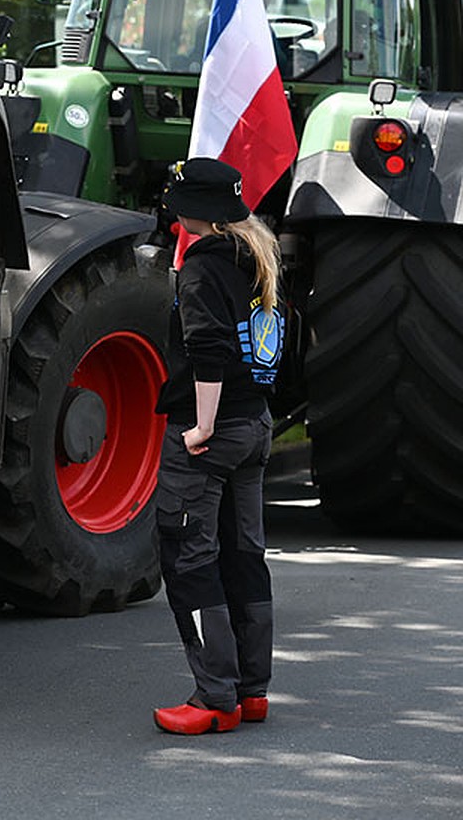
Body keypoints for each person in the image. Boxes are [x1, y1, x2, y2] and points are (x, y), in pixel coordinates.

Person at [152, 157, 284, 735]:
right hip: (254, 425)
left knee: (189, 559)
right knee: (243, 555)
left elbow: (207, 348)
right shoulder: (256, 257)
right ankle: (250, 691)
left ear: (191, 211)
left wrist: (202, 425)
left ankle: (214, 698)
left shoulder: (203, 267)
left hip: (212, 432)